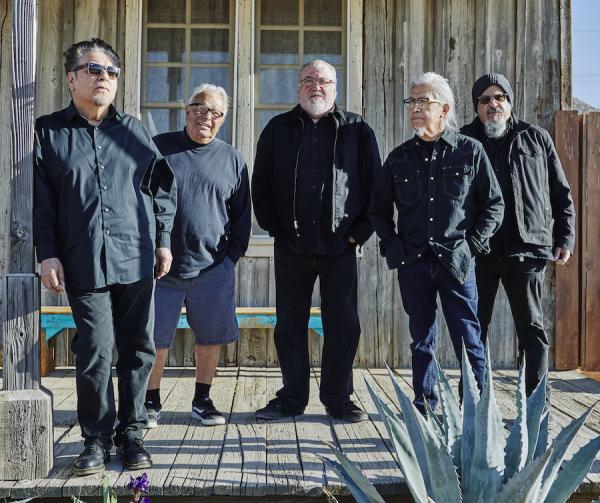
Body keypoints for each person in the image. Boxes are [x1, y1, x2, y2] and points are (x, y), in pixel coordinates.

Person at [33, 38, 176, 475]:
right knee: (95, 347)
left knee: (138, 347)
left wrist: (163, 239)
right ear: (72, 77)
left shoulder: (133, 131)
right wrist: (48, 253)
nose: (104, 78)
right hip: (82, 259)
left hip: (135, 257)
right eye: (94, 70)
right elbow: (40, 200)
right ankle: (95, 438)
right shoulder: (48, 132)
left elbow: (161, 190)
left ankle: (131, 434)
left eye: (112, 72)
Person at [251, 59, 380, 422]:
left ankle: (338, 399)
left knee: (344, 325)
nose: (315, 87)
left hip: (341, 246)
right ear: (298, 88)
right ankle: (292, 398)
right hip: (291, 246)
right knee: (289, 325)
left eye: (323, 81)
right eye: (308, 81)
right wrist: (275, 227)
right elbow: (260, 185)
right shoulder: (277, 129)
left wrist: (359, 233)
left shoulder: (357, 129)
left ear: (335, 88)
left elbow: (376, 188)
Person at [369, 72, 504, 414]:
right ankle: (424, 409)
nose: (415, 108)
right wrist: (392, 247)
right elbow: (378, 210)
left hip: (457, 263)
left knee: (469, 341)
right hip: (413, 263)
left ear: (444, 109)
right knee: (422, 341)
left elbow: (494, 205)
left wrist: (470, 246)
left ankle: (475, 411)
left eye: (423, 101)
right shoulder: (398, 159)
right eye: (411, 101)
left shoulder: (469, 151)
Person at [461, 73, 575, 396]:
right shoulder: (463, 140)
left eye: (499, 97)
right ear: (477, 107)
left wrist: (565, 237)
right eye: (485, 99)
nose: (493, 104)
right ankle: (470, 406)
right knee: (473, 330)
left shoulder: (535, 138)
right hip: (477, 250)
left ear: (510, 103)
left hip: (526, 250)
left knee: (532, 331)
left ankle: (535, 412)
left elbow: (561, 192)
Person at [145, 84, 251, 428]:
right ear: (187, 110)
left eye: (216, 113)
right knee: (156, 337)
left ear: (223, 119)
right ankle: (150, 401)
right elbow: (140, 202)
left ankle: (202, 399)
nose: (207, 117)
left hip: (213, 267)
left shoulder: (232, 159)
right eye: (200, 108)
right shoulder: (160, 148)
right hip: (161, 269)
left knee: (210, 336)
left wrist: (230, 259)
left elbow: (241, 217)